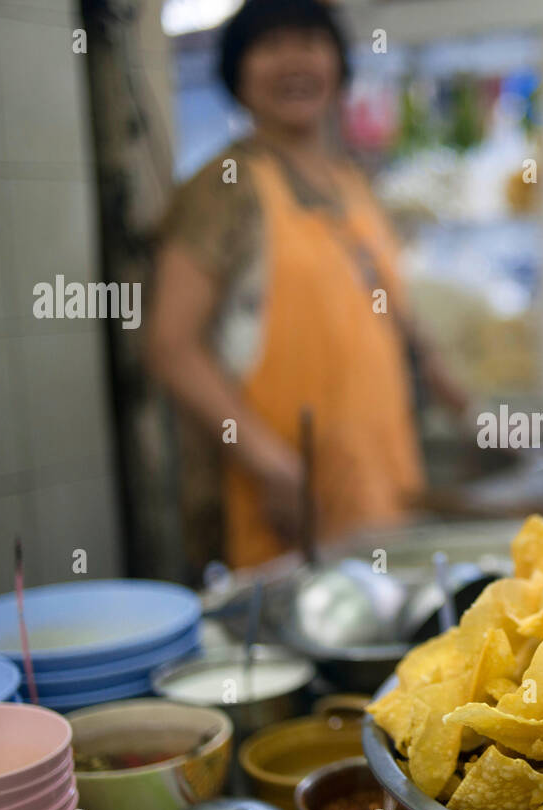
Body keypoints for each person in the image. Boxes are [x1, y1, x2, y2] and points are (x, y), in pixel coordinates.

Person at [147, 0, 463, 573]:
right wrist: (272, 466)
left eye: (310, 42)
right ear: (236, 73)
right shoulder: (223, 189)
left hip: (378, 478)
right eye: (270, 46)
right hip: (282, 500)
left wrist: (445, 381)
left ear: (338, 64)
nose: (294, 60)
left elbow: (384, 300)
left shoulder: (351, 181)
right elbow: (172, 347)